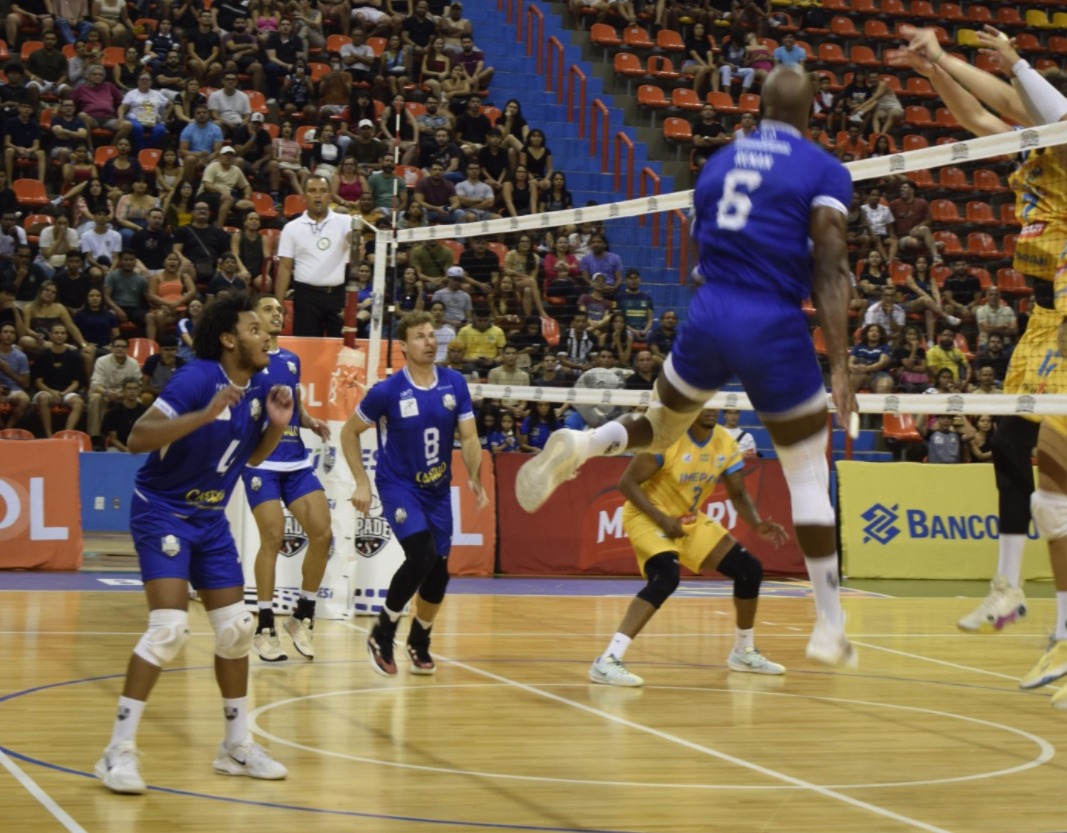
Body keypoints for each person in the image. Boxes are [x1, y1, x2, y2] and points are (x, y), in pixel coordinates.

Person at [516, 66, 857, 667]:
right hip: (770, 319)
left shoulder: (718, 162)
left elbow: (696, 247)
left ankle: (590, 440)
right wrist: (841, 364)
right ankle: (829, 621)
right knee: (807, 473)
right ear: (811, 115)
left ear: (759, 108)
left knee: (665, 425)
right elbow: (830, 267)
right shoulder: (823, 169)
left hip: (708, 309)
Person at [890, 25, 1053, 637]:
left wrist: (951, 56)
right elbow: (980, 120)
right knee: (1012, 447)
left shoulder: (1064, 144)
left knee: (1054, 474)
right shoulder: (1031, 150)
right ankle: (1007, 589)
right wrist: (934, 75)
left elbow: (1011, 104)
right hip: (1041, 318)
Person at [95, 292, 293, 795]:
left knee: (237, 631)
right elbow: (139, 437)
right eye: (254, 328)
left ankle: (235, 747)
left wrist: (276, 427)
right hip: (162, 512)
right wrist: (205, 415)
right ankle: (116, 752)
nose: (265, 334)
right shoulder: (198, 379)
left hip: (209, 520)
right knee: (168, 631)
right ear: (229, 339)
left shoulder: (264, 384)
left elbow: (251, 458)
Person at [590, 408, 787, 686]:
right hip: (647, 516)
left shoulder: (725, 441)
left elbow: (738, 492)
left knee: (749, 570)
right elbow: (627, 483)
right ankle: (607, 659)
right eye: (701, 404)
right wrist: (660, 518)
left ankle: (743, 651)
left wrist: (756, 524)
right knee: (666, 578)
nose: (709, 409)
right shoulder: (667, 438)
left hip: (687, 520)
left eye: (712, 403)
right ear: (690, 408)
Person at [340, 310, 487, 676]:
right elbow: (348, 432)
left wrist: (475, 476)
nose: (430, 342)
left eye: (432, 335)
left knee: (438, 574)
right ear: (404, 346)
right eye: (420, 336)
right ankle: (382, 632)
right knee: (421, 556)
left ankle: (419, 641)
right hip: (399, 486)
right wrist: (361, 481)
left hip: (437, 489)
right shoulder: (387, 391)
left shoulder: (454, 382)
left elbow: (468, 437)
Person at [241, 296, 332, 662]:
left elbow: (295, 402)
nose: (277, 314)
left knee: (323, 534)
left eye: (280, 310)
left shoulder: (292, 360)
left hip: (295, 459)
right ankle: (264, 626)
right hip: (261, 462)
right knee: (273, 536)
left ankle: (302, 616)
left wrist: (309, 420)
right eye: (268, 309)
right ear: (253, 319)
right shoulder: (246, 362)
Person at [274, 175, 354, 337]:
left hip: (337, 296)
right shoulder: (291, 228)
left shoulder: (345, 221)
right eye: (312, 191)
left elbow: (355, 244)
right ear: (304, 197)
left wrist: (356, 242)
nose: (318, 195)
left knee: (339, 347)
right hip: (306, 297)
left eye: (323, 191)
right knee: (306, 345)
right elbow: (284, 268)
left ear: (330, 196)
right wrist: (278, 303)